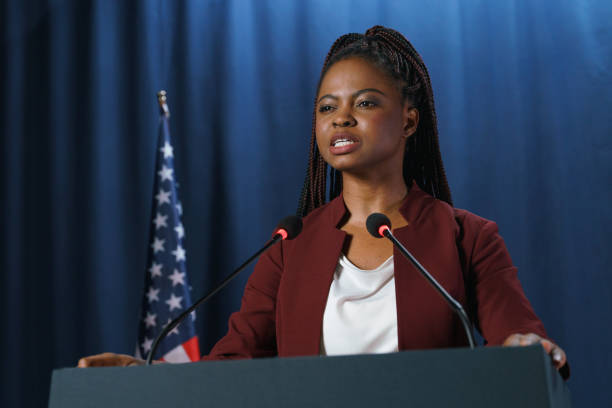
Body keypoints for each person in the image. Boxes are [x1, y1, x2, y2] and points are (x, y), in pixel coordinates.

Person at [79, 26, 568, 377]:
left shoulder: (468, 238)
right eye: (328, 107)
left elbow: (517, 337)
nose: (342, 119)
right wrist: (143, 377)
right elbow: (231, 365)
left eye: (366, 103)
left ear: (410, 122)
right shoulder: (289, 246)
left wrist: (528, 347)